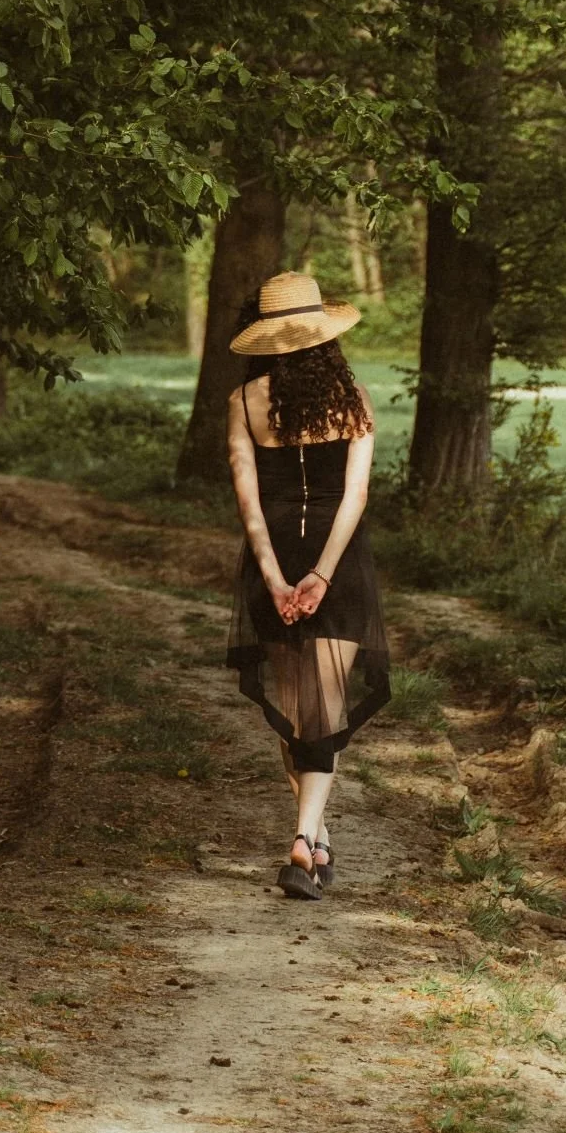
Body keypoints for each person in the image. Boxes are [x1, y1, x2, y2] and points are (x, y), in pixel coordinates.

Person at [224, 271, 391, 901]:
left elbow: (249, 501)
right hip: (338, 559)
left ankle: (312, 837)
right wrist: (322, 572)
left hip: (275, 556)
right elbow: (356, 495)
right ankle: (305, 840)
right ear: (325, 336)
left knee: (301, 711)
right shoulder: (355, 400)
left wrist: (273, 576)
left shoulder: (242, 403)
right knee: (321, 706)